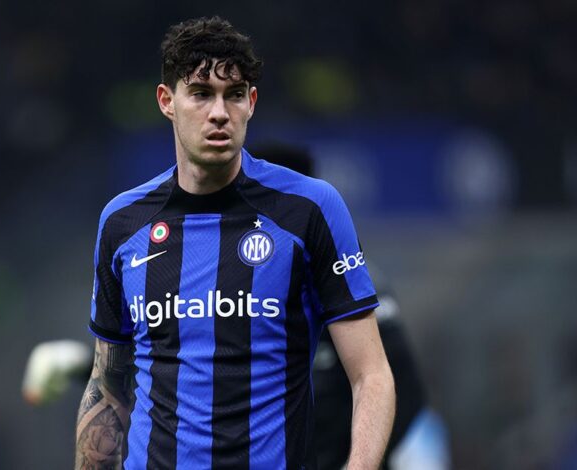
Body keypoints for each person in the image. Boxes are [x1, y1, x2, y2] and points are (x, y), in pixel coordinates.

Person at [75, 16, 395, 469]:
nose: (219, 112)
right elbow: (108, 388)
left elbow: (371, 374)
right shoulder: (123, 223)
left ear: (252, 103)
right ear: (167, 101)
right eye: (202, 93)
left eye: (235, 94)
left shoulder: (309, 210)